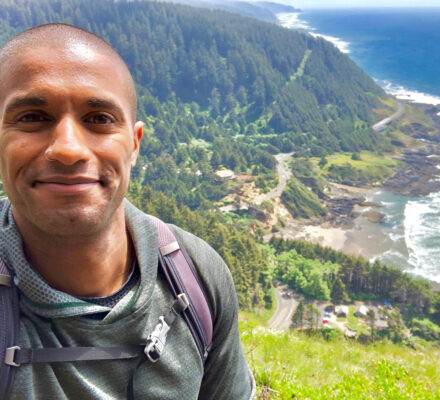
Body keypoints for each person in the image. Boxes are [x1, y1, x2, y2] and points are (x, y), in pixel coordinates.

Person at [0, 23, 255, 399]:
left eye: (99, 119)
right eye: (33, 117)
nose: (68, 149)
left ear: (134, 145)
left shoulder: (197, 275)